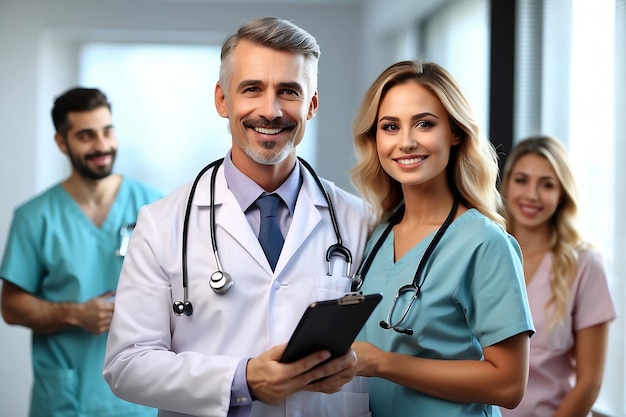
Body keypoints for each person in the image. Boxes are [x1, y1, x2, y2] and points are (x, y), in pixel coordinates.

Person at [103, 17, 371, 417]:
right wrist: (242, 380)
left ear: (312, 104)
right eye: (252, 89)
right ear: (222, 100)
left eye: (289, 91)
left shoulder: (358, 220)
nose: (271, 110)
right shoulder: (162, 224)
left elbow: (387, 345)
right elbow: (127, 364)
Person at [349, 60, 535, 416]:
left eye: (424, 124)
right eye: (390, 126)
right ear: (375, 138)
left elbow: (509, 385)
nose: (405, 142)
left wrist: (382, 364)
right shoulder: (376, 234)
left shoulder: (484, 242)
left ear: (454, 132)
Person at [0, 87, 162, 417]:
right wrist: (75, 313)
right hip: (65, 400)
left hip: (137, 398)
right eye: (86, 136)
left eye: (107, 131)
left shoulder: (156, 207)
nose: (101, 146)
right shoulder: (35, 217)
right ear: (62, 142)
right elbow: (11, 307)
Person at [498, 135, 616, 417]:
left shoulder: (586, 265)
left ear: (563, 192)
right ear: (507, 183)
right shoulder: (485, 253)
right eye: (522, 180)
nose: (532, 195)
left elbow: (590, 383)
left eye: (547, 184)